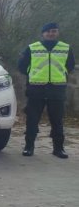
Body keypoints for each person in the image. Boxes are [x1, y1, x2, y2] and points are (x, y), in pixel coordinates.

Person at [17, 22, 74, 158]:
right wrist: (33, 74)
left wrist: (63, 74)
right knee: (32, 120)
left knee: (57, 121)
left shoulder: (65, 48)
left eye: (53, 31)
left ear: (57, 33)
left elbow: (70, 65)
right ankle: (29, 147)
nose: (51, 33)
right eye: (48, 31)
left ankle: (58, 149)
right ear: (43, 33)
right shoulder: (32, 48)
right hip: (36, 89)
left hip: (57, 89)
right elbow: (22, 66)